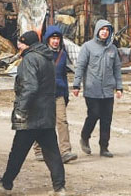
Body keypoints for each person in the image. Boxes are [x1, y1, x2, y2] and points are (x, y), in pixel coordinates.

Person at [0, 31, 66, 195]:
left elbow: (30, 87)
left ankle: (6, 183)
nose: (18, 46)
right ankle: (60, 188)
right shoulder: (47, 58)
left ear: (28, 44)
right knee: (52, 153)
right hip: (47, 115)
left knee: (18, 152)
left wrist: (21, 111)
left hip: (31, 115)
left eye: (21, 43)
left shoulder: (30, 59)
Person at [72, 19, 122, 158]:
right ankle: (85, 136)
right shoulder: (87, 47)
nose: (105, 32)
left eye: (107, 30)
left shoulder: (113, 49)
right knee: (94, 114)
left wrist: (119, 87)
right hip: (91, 89)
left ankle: (104, 147)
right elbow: (80, 66)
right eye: (102, 29)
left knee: (107, 119)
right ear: (97, 31)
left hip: (107, 91)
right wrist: (76, 85)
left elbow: (117, 69)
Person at [33, 26, 78, 164]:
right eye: (53, 38)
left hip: (59, 93)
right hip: (44, 94)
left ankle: (65, 151)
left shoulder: (63, 55)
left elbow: (63, 75)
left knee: (62, 121)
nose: (55, 41)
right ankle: (38, 149)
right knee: (43, 122)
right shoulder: (41, 54)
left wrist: (65, 94)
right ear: (47, 40)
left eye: (57, 38)